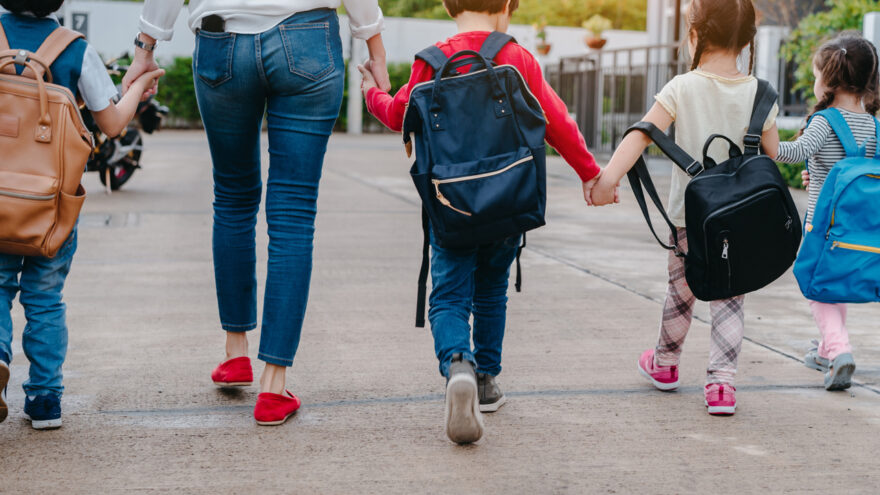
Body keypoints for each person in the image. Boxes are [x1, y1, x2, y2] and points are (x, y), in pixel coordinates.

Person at [123, 0, 390, 426]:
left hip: (221, 41)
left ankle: (235, 354)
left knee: (232, 197)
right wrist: (375, 51)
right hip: (308, 41)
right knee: (294, 213)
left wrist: (145, 47)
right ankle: (273, 386)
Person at [360, 0, 606, 443]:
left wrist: (369, 93)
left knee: (450, 296)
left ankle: (459, 365)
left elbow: (397, 114)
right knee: (492, 290)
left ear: (447, 4)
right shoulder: (516, 57)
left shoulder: (428, 62)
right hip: (508, 203)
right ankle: (488, 381)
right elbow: (556, 120)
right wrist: (590, 173)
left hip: (450, 205)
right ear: (508, 4)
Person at [591, 0, 778, 415]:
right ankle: (722, 387)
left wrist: (607, 181)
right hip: (741, 220)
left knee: (681, 293)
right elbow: (772, 153)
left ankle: (666, 364)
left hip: (689, 219)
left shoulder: (681, 87)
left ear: (694, 35)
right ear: (748, 39)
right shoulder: (759, 93)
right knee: (730, 296)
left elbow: (641, 134)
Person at [0, 0, 163, 429]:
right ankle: (44, 399)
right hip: (50, 206)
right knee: (45, 298)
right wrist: (138, 84)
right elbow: (111, 125)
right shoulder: (75, 50)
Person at [769, 33, 880, 391]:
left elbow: (792, 152)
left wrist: (763, 137)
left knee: (817, 286)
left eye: (816, 75)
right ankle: (829, 351)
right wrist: (817, 172)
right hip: (858, 225)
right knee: (832, 284)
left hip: (823, 222)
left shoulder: (824, 120)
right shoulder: (874, 124)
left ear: (828, 79)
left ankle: (840, 348)